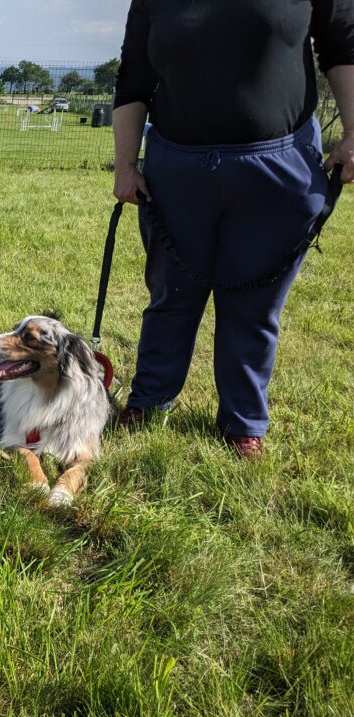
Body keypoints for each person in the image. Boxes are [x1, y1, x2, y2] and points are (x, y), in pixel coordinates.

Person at [112, 0, 354, 458]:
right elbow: (134, 76)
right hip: (175, 169)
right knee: (171, 295)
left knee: (255, 305)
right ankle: (148, 400)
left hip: (280, 165)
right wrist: (125, 164)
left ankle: (243, 421)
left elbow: (343, 46)